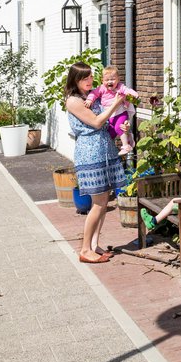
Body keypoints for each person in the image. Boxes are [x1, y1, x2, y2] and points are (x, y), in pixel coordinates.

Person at [65, 61, 126, 263]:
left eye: (91, 76)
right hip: (90, 153)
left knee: (103, 201)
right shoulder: (73, 101)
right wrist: (116, 105)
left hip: (104, 149)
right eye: (86, 77)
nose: (90, 80)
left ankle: (94, 245)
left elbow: (107, 121)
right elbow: (97, 121)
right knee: (99, 204)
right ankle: (84, 249)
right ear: (76, 80)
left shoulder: (89, 96)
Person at [85, 65, 137, 155]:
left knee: (119, 127)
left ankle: (126, 146)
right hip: (109, 115)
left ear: (118, 79)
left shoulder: (120, 87)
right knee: (111, 133)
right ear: (102, 80)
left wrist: (134, 95)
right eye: (107, 80)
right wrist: (90, 100)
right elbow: (94, 93)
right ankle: (128, 138)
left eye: (112, 79)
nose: (110, 81)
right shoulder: (102, 88)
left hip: (120, 112)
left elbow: (128, 90)